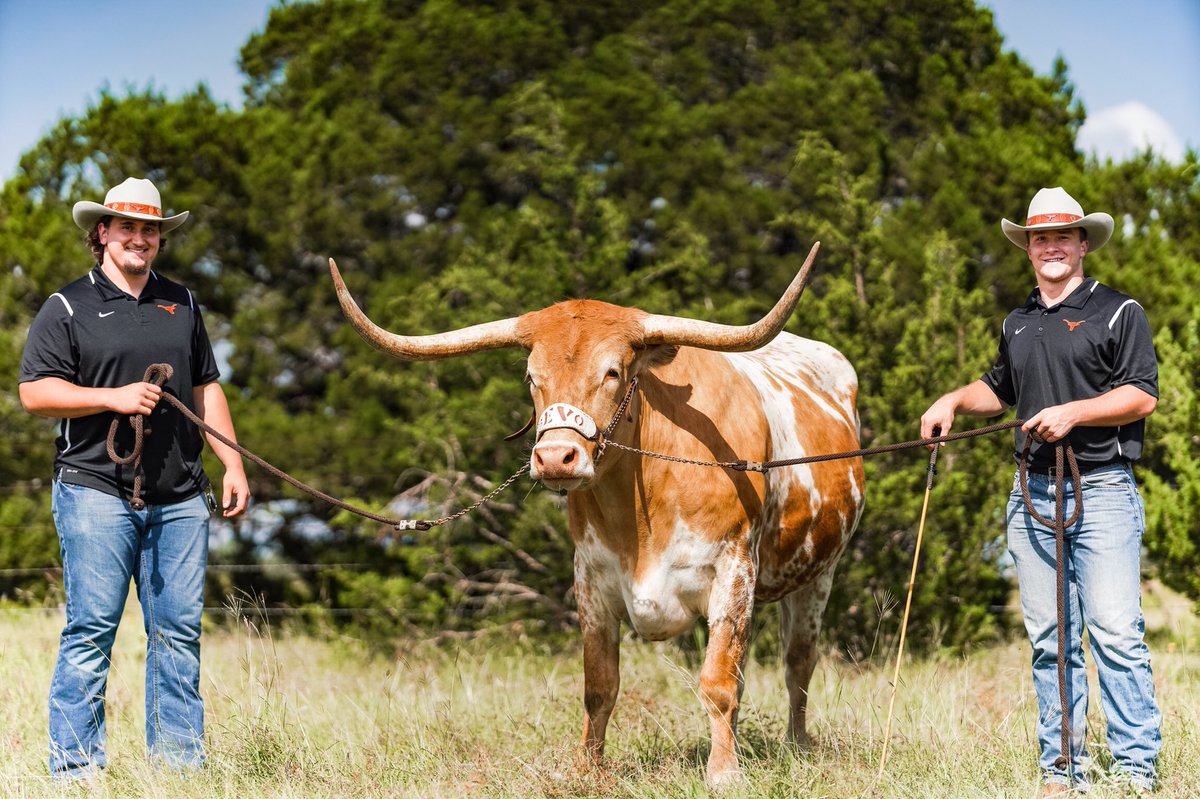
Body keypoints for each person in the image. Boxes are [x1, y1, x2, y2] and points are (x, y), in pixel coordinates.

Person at [920, 187, 1161, 794]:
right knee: (1052, 640)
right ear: (1027, 248)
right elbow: (998, 389)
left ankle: (1136, 772)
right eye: (1039, 238)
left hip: (1102, 490)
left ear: (1083, 243)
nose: (1050, 246)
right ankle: (1063, 770)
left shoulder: (1118, 311)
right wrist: (952, 400)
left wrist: (1074, 414)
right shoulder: (1018, 320)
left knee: (1113, 632)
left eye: (1062, 235)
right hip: (1031, 493)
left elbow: (1142, 394)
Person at [18, 177, 250, 777]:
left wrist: (233, 461)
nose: (139, 238)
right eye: (127, 226)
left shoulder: (185, 302)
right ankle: (75, 774)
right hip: (95, 490)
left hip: (179, 497)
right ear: (102, 232)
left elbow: (205, 386)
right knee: (92, 631)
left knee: (178, 635)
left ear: (159, 238)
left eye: (150, 229)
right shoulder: (66, 306)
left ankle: (177, 773)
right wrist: (112, 398)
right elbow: (35, 393)